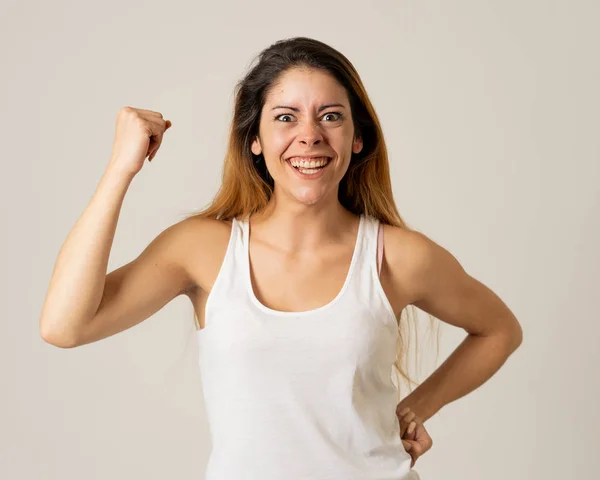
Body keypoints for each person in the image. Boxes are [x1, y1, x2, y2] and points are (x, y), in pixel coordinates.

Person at [40, 37, 523, 479]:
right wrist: (120, 169)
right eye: (285, 117)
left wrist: (417, 407)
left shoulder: (397, 256)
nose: (309, 135)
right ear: (255, 140)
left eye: (330, 116)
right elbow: (65, 326)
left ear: (358, 138)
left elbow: (500, 329)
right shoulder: (201, 249)